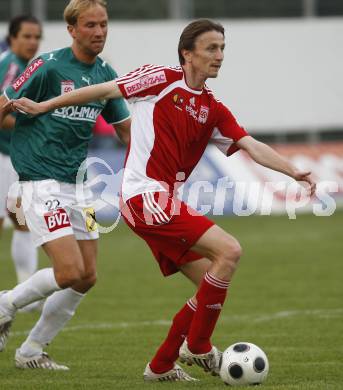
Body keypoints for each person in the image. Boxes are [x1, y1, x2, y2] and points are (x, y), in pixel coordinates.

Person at [3, 19, 316, 381]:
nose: (219, 56)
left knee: (209, 281)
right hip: (144, 197)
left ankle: (161, 365)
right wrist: (46, 107)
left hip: (165, 201)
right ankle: (197, 346)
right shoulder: (160, 79)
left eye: (223, 49)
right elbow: (103, 90)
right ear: (188, 54)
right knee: (229, 251)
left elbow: (250, 145)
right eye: (211, 48)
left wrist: (293, 170)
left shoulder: (213, 108)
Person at [0, 0, 130, 370]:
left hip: (79, 187)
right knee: (69, 271)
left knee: (86, 277)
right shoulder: (47, 66)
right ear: (72, 30)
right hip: (40, 182)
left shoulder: (106, 75)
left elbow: (124, 130)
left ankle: (31, 352)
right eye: (90, 25)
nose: (99, 32)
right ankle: (5, 304)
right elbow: (4, 104)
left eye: (103, 24)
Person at [0, 16, 42, 305]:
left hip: (13, 158)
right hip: (2, 156)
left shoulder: (28, 67)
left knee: (21, 219)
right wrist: (33, 127)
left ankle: (27, 289)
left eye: (36, 36)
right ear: (12, 38)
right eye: (26, 36)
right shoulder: (11, 65)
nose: (32, 42)